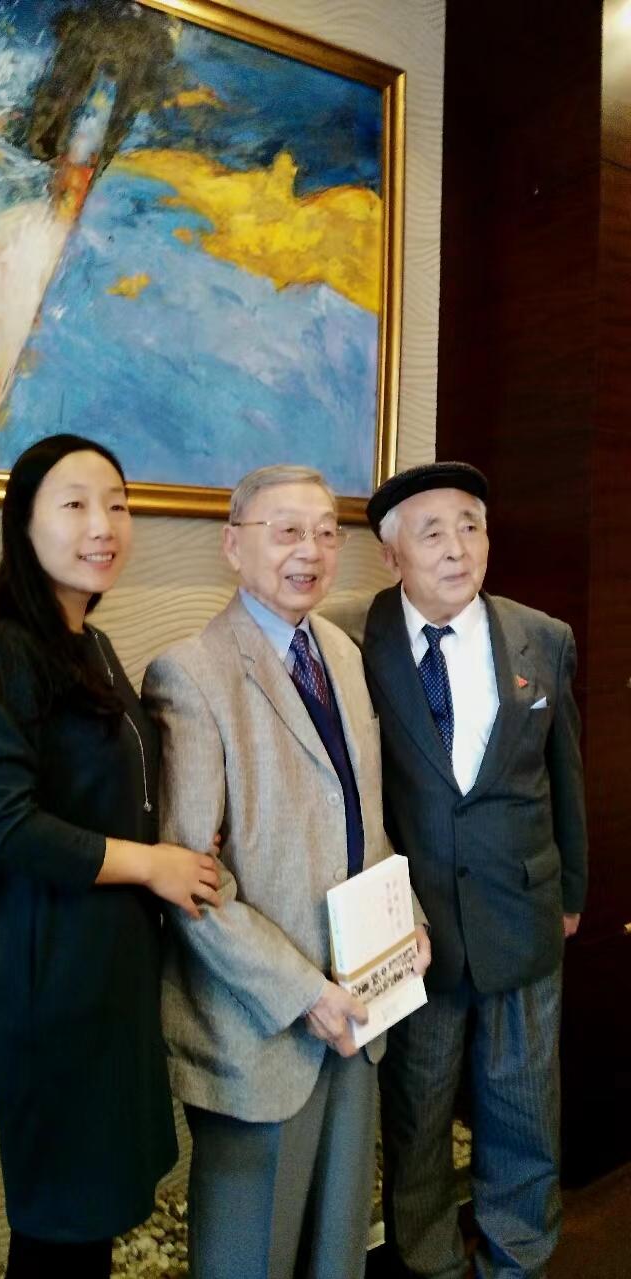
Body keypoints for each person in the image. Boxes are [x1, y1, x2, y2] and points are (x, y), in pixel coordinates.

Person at [0, 433, 220, 1279]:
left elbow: (110, 793)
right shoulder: (0, 650)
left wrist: (181, 846)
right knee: (59, 1229)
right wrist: (152, 864)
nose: (104, 525)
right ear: (24, 521)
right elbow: (5, 826)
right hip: (53, 987)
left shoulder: (90, 643)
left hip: (114, 979)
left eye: (117, 504)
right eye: (77, 504)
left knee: (91, 1225)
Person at [142, 464, 431, 1279]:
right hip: (262, 1028)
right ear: (234, 546)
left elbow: (364, 820)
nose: (311, 550)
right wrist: (307, 994)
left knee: (337, 1249)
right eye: (287, 531)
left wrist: (409, 921)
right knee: (250, 1258)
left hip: (360, 1009)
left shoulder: (340, 651)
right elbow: (195, 886)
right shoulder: (190, 673)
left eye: (326, 532)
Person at [362, 461, 588, 1279]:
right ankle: (429, 1262)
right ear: (392, 554)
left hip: (523, 911)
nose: (458, 548)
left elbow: (565, 773)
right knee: (416, 1114)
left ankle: (517, 1257)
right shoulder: (354, 642)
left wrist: (572, 890)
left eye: (471, 526)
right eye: (433, 533)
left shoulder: (543, 637)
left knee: (524, 1106)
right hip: (415, 930)